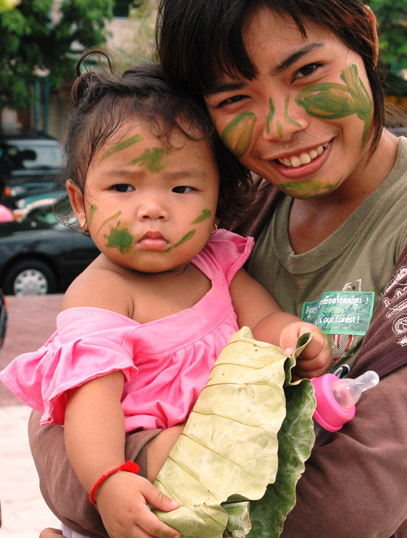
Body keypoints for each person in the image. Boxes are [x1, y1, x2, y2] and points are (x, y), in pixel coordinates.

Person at [31, 1, 407, 537]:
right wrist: (114, 480)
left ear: (365, 39)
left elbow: (348, 504)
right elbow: (54, 420)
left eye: (306, 72)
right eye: (234, 98)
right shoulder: (221, 210)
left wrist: (140, 470)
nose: (283, 126)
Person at [1, 55, 332, 538]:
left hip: (222, 479)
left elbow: (262, 320)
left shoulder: (214, 260)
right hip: (143, 492)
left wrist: (293, 336)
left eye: (181, 187)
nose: (152, 208)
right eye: (122, 186)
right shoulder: (100, 294)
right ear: (80, 204)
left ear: (217, 203)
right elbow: (91, 406)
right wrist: (108, 480)